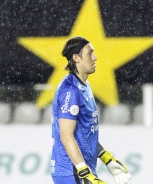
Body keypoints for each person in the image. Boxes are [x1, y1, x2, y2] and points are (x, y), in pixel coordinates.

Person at [50, 36, 131, 184]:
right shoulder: (71, 90)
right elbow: (66, 135)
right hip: (72, 171)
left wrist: (106, 157)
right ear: (76, 58)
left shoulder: (84, 86)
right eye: (90, 53)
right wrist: (84, 172)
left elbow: (85, 131)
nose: (95, 57)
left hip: (80, 171)